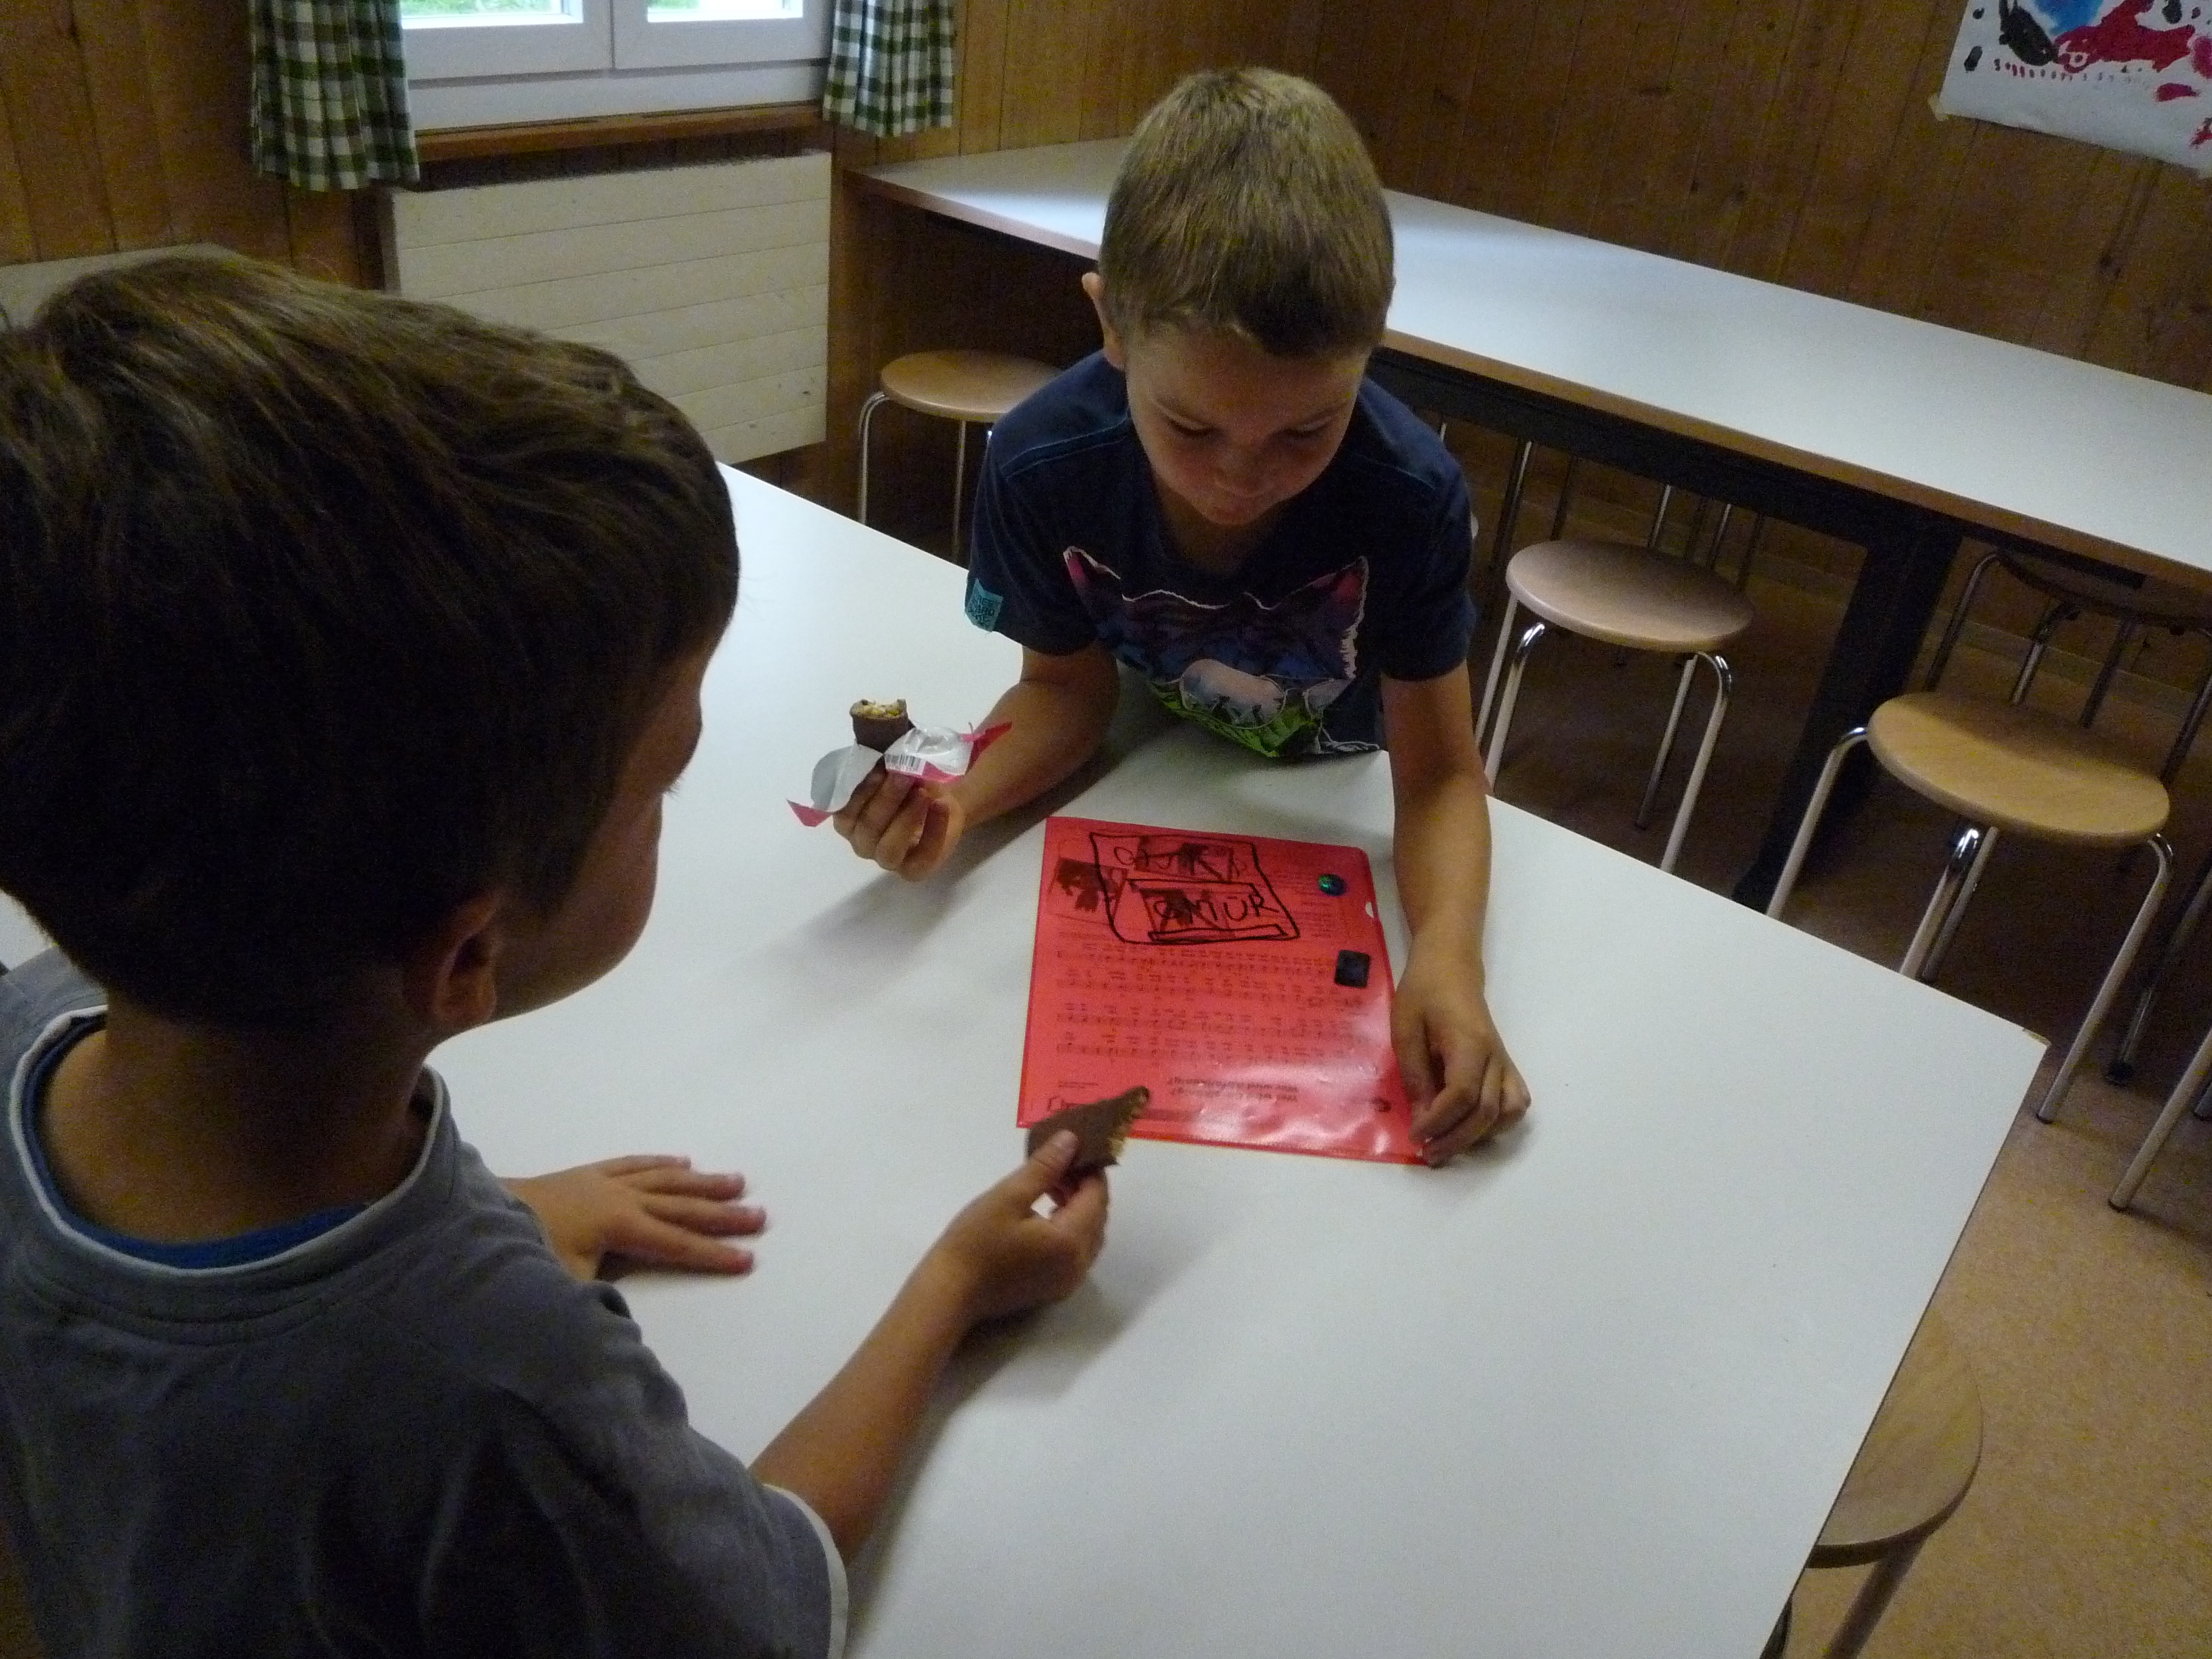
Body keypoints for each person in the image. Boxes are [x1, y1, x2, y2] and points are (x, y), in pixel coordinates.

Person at [0, 256, 1107, 1658]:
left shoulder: (42, 1019)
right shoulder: (498, 1396)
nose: (671, 806)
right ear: (467, 953)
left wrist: (500, 1211)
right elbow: (767, 1601)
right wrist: (954, 1286)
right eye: (663, 784)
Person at [835, 68, 1530, 1164]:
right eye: (1191, 428)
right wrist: (961, 799)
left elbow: (1441, 772)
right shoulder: (1044, 463)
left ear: (1372, 348)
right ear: (1110, 321)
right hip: (1153, 777)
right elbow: (1065, 692)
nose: (1240, 478)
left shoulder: (1410, 494)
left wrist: (1449, 956)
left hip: (1335, 793)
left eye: (1305, 432)